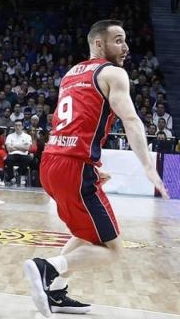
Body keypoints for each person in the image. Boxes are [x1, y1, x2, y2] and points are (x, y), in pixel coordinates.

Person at [24, 20, 169, 317]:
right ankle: (47, 268)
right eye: (118, 40)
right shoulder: (113, 73)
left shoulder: (71, 73)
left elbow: (75, 120)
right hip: (73, 167)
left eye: (126, 40)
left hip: (52, 161)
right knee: (114, 249)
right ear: (99, 44)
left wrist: (87, 165)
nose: (126, 47)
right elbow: (130, 120)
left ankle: (55, 292)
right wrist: (147, 164)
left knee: (84, 231)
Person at [4, 120, 32, 186]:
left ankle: (20, 174)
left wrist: (14, 146)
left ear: (22, 127)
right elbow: (8, 148)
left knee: (28, 159)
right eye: (16, 125)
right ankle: (12, 177)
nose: (17, 127)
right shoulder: (10, 136)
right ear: (14, 127)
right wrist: (21, 147)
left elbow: (27, 148)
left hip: (23, 155)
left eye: (19, 125)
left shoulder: (27, 136)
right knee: (8, 159)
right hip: (12, 154)